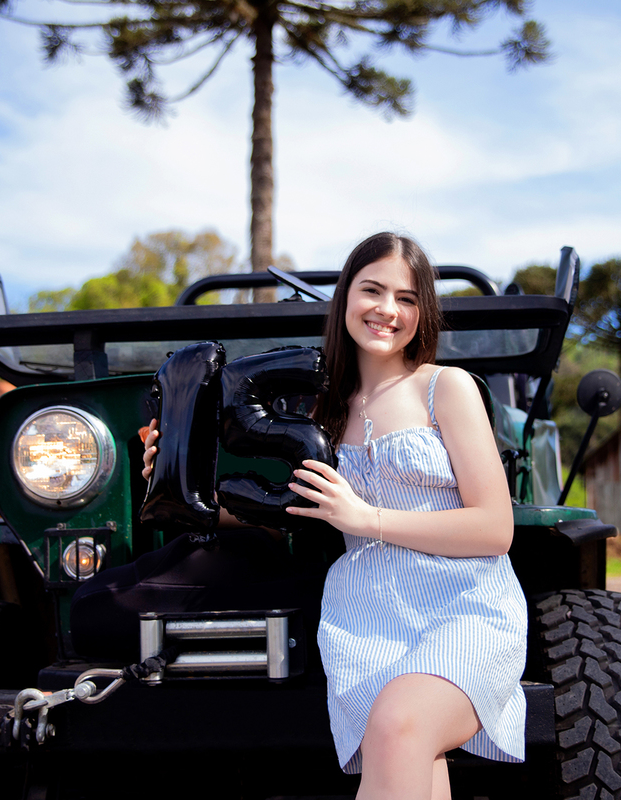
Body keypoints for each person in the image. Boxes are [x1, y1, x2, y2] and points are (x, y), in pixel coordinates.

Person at [141, 232, 526, 800]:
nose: (387, 310)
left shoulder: (447, 389)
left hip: (464, 606)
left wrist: (367, 519)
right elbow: (286, 511)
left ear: (425, 312)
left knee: (399, 724)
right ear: (345, 297)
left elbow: (495, 528)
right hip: (365, 620)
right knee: (408, 752)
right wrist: (170, 478)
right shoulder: (320, 411)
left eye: (407, 298)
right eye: (372, 290)